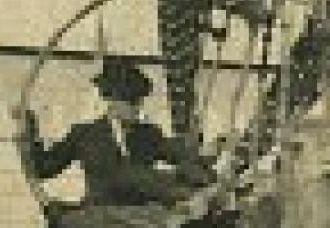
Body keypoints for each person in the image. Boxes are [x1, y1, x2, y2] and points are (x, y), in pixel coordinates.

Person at [24, 56, 214, 208]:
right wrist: (29, 133)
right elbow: (43, 168)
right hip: (99, 220)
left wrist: (207, 153)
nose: (136, 108)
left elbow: (179, 154)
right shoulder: (84, 134)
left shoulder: (149, 134)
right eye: (130, 102)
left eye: (138, 102)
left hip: (140, 221)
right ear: (112, 101)